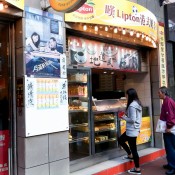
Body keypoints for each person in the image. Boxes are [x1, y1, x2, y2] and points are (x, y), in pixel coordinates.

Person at [118, 88, 142, 175]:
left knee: (134, 149)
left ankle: (137, 169)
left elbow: (132, 119)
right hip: (134, 129)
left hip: (132, 130)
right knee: (121, 140)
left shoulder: (132, 105)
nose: (126, 96)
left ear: (130, 95)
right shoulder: (137, 103)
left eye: (126, 95)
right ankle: (129, 155)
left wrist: (123, 117)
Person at [158, 86, 175, 175]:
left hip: (170, 129)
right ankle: (170, 164)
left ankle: (173, 167)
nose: (158, 94)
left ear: (164, 93)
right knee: (169, 148)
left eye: (159, 92)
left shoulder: (168, 102)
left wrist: (169, 127)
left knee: (171, 148)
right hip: (169, 128)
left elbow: (170, 116)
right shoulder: (167, 101)